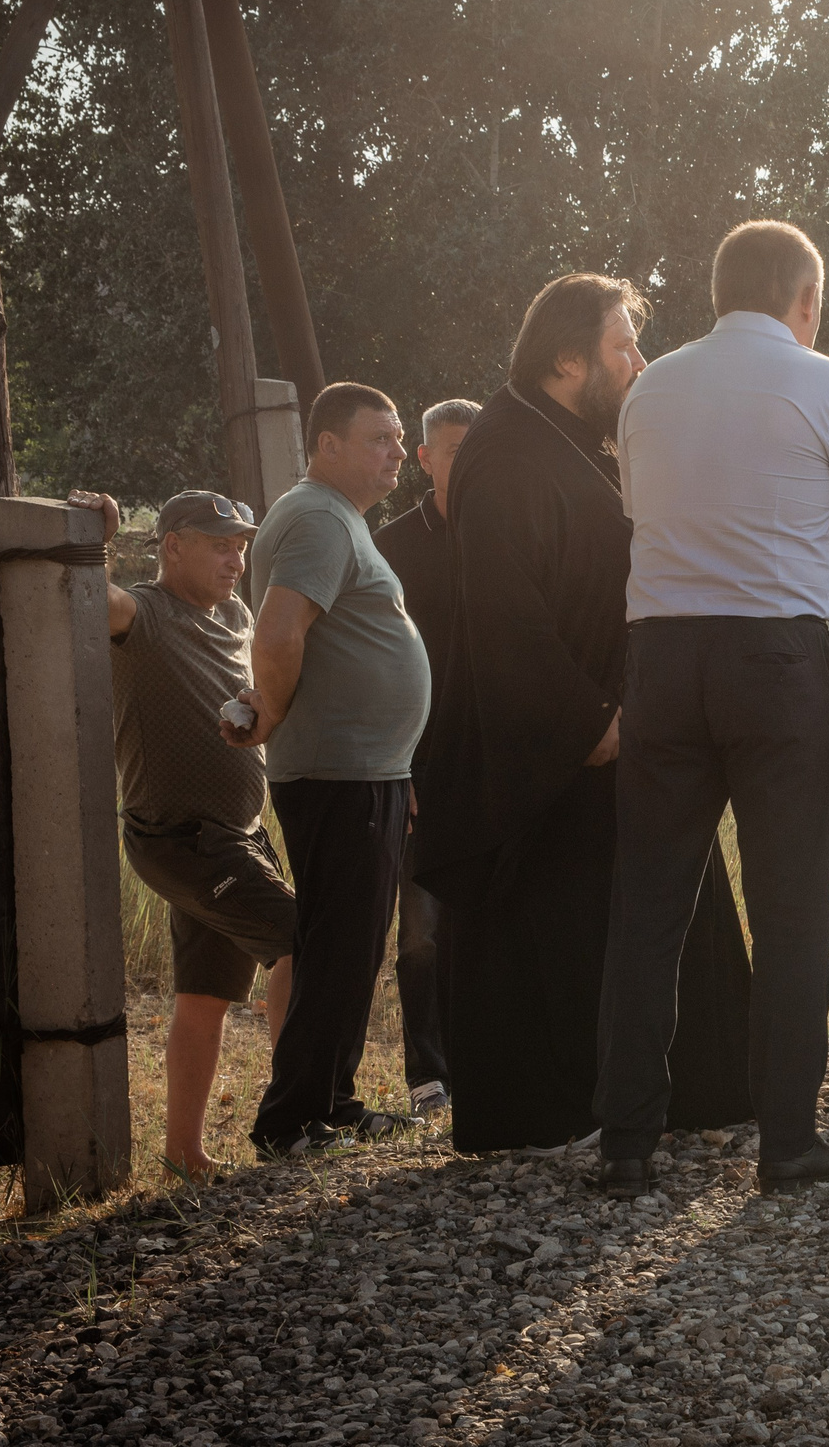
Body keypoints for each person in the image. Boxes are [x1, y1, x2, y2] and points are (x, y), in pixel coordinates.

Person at [416, 277, 759, 1157]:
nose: (638, 364)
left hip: (615, 723)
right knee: (558, 931)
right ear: (567, 358)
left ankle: (686, 1093)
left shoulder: (565, 438)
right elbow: (502, 610)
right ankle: (566, 1112)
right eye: (623, 348)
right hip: (555, 747)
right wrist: (586, 721)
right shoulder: (506, 450)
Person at [594, 221, 829, 1197]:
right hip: (775, 658)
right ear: (803, 299)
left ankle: (628, 1144)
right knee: (791, 910)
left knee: (647, 909)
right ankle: (786, 1142)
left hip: (663, 655)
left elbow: (650, 513)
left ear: (717, 290)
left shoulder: (650, 387)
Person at [233, 381, 432, 1160]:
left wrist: (397, 762)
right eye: (379, 438)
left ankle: (332, 1101)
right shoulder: (317, 515)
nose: (395, 453)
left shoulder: (340, 518)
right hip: (336, 772)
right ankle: (289, 1120)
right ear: (327, 445)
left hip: (367, 769)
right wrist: (271, 716)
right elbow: (279, 634)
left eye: (397, 438)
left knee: (354, 943)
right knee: (337, 943)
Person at [75, 487, 294, 1180]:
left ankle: (182, 1153)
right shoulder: (145, 612)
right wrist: (94, 540)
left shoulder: (235, 612)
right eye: (219, 544)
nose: (236, 558)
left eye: (241, 545)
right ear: (173, 546)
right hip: (182, 840)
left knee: (204, 997)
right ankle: (300, 1117)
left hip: (236, 834)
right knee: (303, 938)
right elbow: (90, 599)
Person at [375, 398, 480, 1122]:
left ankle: (488, 1061)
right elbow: (375, 661)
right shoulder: (392, 546)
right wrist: (396, 759)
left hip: (493, 755)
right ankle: (429, 1076)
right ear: (425, 458)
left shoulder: (505, 532)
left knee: (487, 918)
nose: (465, 466)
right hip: (416, 759)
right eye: (451, 452)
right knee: (420, 930)